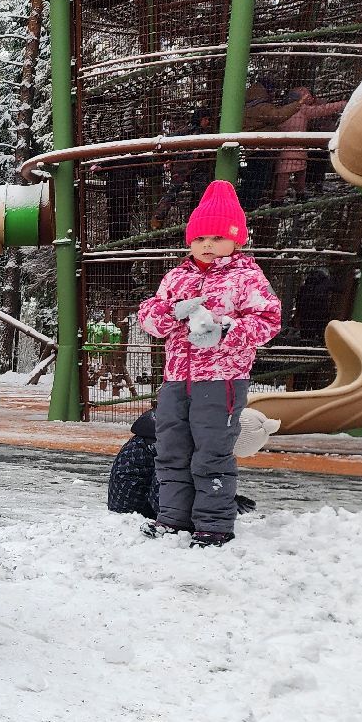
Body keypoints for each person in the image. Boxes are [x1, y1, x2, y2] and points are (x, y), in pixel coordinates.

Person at [136, 180, 282, 547]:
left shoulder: (247, 278)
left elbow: (268, 321)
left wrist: (225, 330)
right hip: (176, 381)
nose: (207, 245)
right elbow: (149, 319)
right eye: (200, 238)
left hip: (221, 381)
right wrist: (172, 311)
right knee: (171, 450)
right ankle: (173, 519)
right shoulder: (177, 278)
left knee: (211, 453)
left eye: (217, 238)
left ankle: (213, 524)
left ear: (236, 240)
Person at [108, 407, 258, 520]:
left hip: (142, 500)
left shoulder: (185, 427)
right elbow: (164, 496)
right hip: (133, 513)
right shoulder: (178, 445)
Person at [273, 87, 347, 202]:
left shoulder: (281, 111)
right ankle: (298, 195)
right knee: (299, 172)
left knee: (284, 173)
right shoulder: (301, 110)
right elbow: (322, 110)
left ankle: (278, 199)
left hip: (284, 149)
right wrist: (342, 104)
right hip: (298, 148)